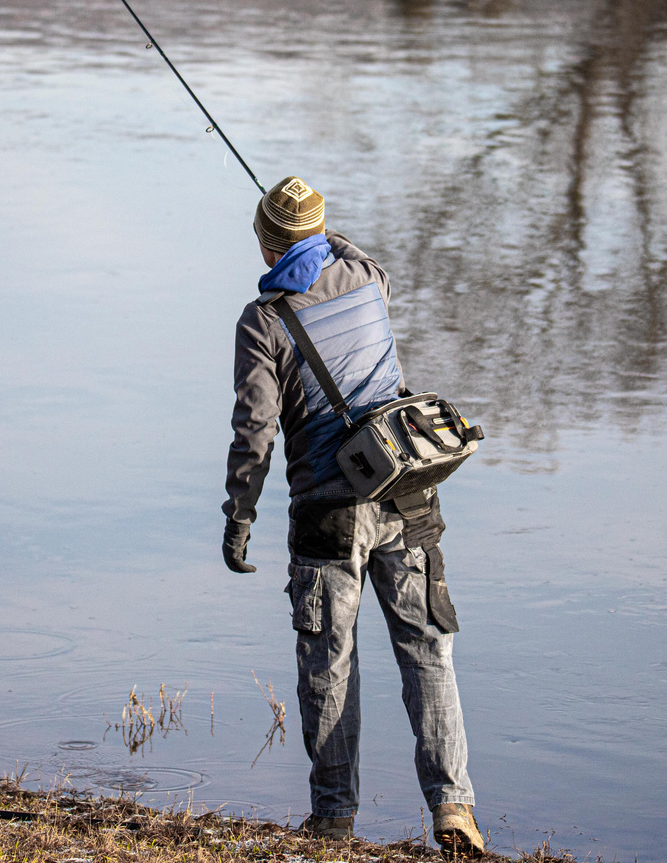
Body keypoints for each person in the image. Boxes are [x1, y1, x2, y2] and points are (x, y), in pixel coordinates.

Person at [220, 175, 485, 855]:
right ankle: (453, 808)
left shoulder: (264, 321)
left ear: (263, 241)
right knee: (428, 649)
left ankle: (335, 818)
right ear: (321, 232)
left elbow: (255, 432)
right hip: (408, 489)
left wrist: (238, 517)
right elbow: (344, 248)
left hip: (326, 512)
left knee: (328, 661)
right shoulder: (367, 276)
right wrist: (316, 233)